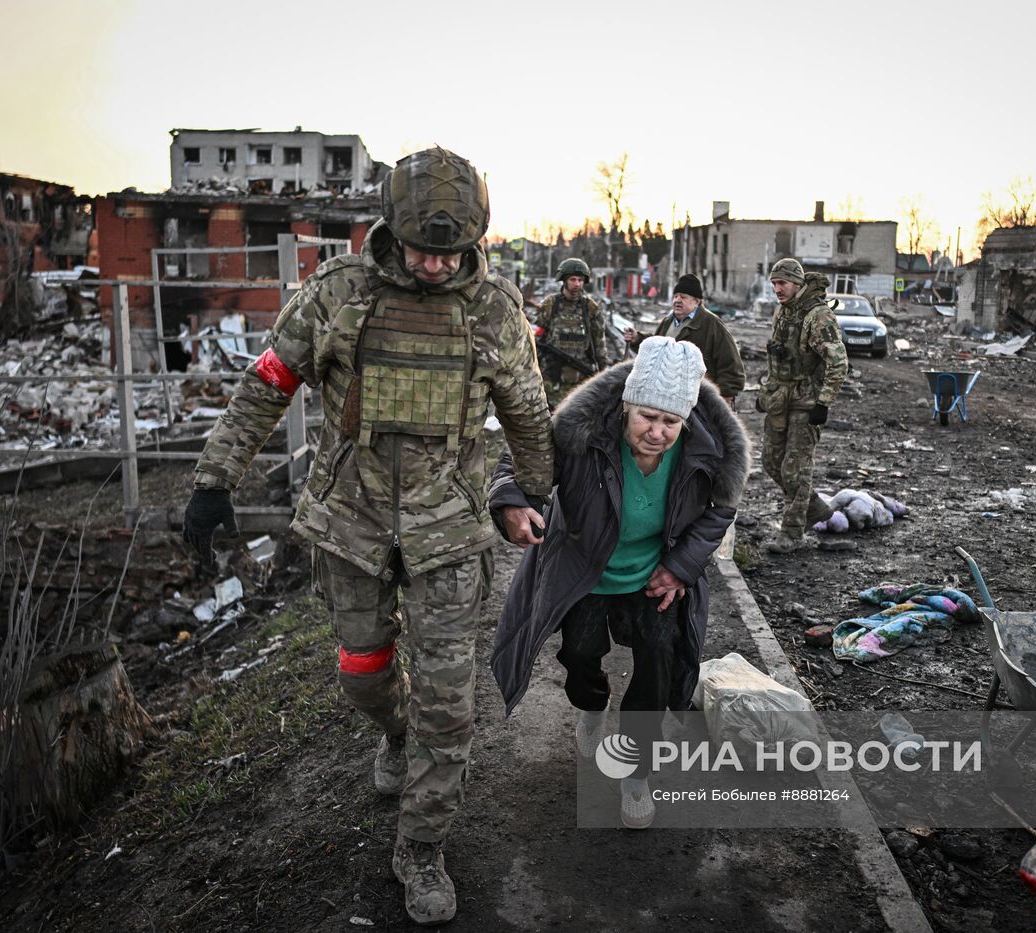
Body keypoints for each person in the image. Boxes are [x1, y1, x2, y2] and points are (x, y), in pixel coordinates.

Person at [181, 147, 553, 926]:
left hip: (449, 533)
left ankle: (421, 850)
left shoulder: (494, 310)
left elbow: (526, 412)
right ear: (391, 226)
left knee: (450, 709)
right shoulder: (337, 296)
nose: (433, 262)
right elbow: (267, 385)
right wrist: (215, 479)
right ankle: (393, 724)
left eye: (449, 252)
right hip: (351, 527)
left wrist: (532, 492)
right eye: (422, 246)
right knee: (361, 672)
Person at [488, 336, 750, 829]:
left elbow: (721, 512)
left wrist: (681, 566)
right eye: (647, 418)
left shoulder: (707, 452)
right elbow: (518, 464)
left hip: (656, 578)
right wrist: (512, 503)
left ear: (686, 420)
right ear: (626, 407)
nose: (657, 432)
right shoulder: (578, 434)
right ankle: (592, 705)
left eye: (671, 421)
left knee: (657, 665)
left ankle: (637, 772)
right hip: (587, 568)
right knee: (580, 654)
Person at [760, 259, 847, 554]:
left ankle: (792, 533)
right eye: (773, 283)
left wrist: (823, 403)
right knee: (771, 462)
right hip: (780, 399)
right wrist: (766, 391)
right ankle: (815, 508)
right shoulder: (783, 312)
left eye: (781, 283)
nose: (777, 289)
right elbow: (776, 357)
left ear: (796, 282)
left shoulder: (818, 315)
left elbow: (838, 362)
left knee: (795, 470)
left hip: (806, 401)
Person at [623, 273, 745, 406]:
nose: (677, 300)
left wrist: (724, 396)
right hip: (669, 396)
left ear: (697, 301)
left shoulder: (711, 324)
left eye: (683, 297)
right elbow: (658, 346)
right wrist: (637, 339)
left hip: (700, 399)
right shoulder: (668, 321)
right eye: (675, 296)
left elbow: (731, 364)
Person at [533, 257, 609, 405]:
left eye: (580, 280)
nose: (577, 284)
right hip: (552, 378)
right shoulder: (550, 305)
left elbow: (599, 344)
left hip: (581, 379)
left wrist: (604, 374)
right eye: (573, 280)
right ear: (564, 280)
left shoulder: (591, 308)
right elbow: (537, 341)